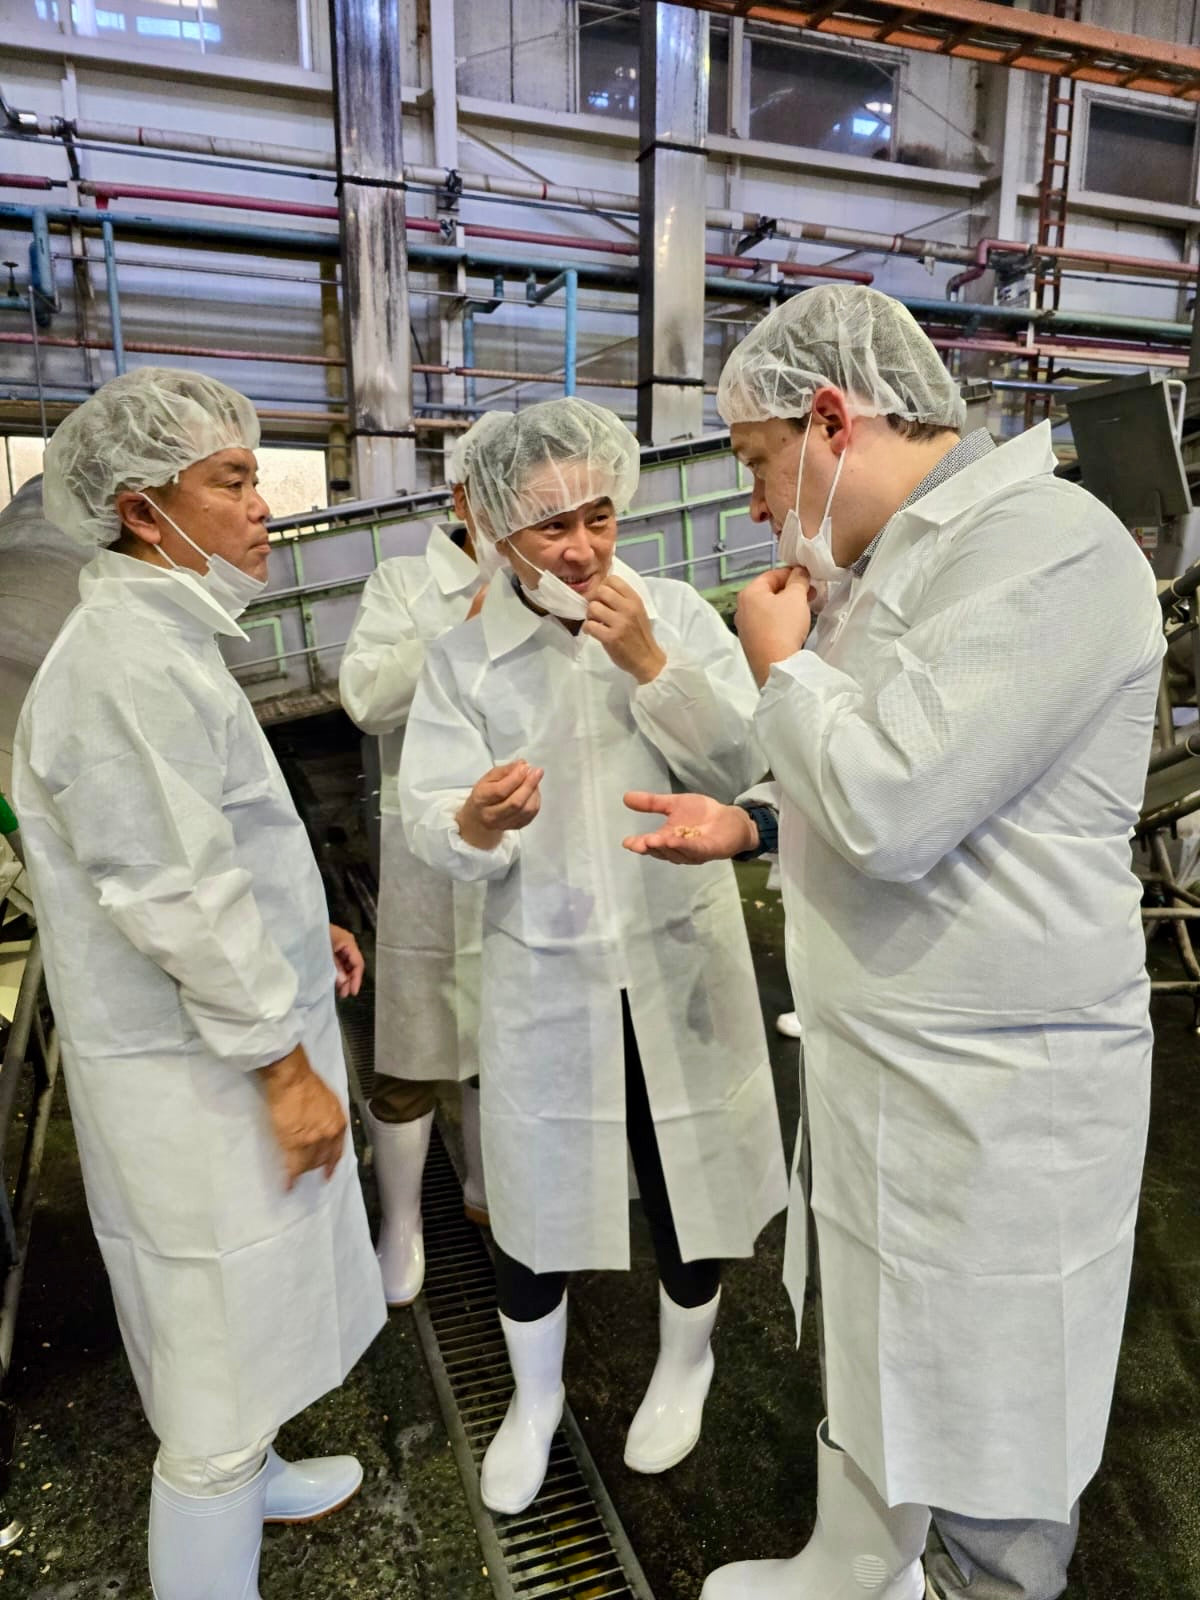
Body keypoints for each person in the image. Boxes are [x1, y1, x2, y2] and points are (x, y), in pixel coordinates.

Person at [622, 285, 1164, 1600]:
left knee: (996, 1421)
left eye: (756, 464)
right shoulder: (884, 571)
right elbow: (839, 778)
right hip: (891, 1058)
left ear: (829, 416)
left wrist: (781, 667)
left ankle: (984, 1583)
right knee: (881, 1353)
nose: (756, 505)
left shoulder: (1049, 551)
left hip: (998, 1096)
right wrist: (752, 823)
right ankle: (861, 1561)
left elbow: (893, 803)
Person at [13, 368, 387, 1600]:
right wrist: (284, 1066)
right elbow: (172, 894)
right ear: (139, 507)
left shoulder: (161, 636)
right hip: (194, 1075)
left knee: (253, 1313)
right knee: (215, 1365)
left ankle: (258, 1468)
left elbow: (227, 850)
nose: (262, 503)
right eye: (230, 481)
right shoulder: (122, 662)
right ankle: (218, 1517)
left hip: (219, 1038)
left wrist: (307, 935)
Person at [398, 397, 787, 1515]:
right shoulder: (467, 656)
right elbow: (429, 812)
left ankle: (686, 1358)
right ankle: (533, 1398)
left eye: (600, 516)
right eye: (551, 526)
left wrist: (651, 659)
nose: (581, 548)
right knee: (532, 1193)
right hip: (545, 966)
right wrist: (472, 822)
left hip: (678, 954)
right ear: (496, 531)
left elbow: (748, 761)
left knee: (687, 1178)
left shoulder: (668, 612)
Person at [339, 412, 509, 1306]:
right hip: (425, 859)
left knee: (499, 1036)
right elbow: (364, 697)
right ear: (461, 499)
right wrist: (461, 630)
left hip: (523, 851)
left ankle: (485, 1185)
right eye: (507, 493)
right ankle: (400, 1223)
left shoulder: (551, 581)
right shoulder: (405, 583)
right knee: (411, 1048)